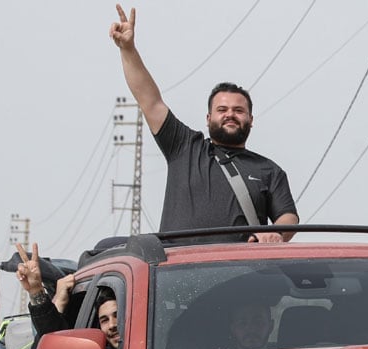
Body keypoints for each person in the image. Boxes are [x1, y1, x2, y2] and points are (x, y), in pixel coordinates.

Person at [109, 5, 299, 242]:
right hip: (177, 270)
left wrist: (275, 235)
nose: (230, 114)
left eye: (239, 110)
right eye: (222, 110)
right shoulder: (185, 147)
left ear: (251, 119)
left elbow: (288, 217)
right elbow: (151, 101)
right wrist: (128, 49)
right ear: (209, 119)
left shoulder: (269, 170)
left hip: (242, 272)